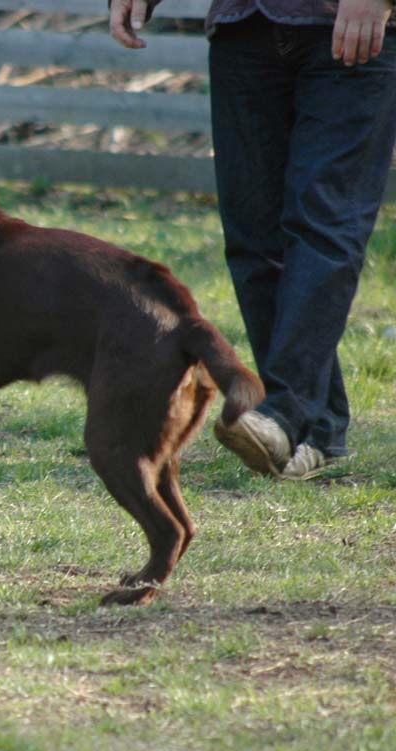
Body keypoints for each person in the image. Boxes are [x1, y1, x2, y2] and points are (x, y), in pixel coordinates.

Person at [109, 0, 396, 479]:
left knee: (324, 221)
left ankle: (284, 412)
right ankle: (317, 428)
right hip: (245, 23)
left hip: (351, 21)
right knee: (252, 237)